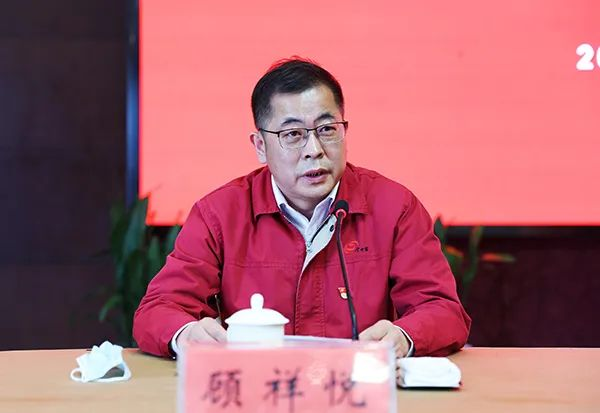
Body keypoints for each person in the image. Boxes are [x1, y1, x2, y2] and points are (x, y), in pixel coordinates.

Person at [133, 58, 471, 367]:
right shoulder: (219, 214)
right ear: (260, 146)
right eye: (293, 134)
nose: (314, 150)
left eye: (327, 129)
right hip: (258, 391)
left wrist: (404, 337)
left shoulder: (395, 207)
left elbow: (444, 310)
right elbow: (158, 309)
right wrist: (186, 334)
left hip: (359, 390)